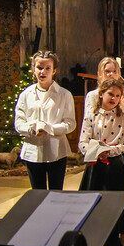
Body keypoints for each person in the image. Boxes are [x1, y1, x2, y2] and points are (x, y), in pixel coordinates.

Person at [83, 56, 124, 246]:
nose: (110, 74)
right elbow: (88, 125)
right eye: (106, 71)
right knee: (97, 201)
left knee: (117, 198)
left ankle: (121, 234)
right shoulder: (93, 96)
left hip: (117, 153)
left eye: (113, 71)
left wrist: (121, 102)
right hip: (96, 152)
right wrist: (95, 149)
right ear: (100, 74)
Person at [78, 79, 124, 246]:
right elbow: (82, 142)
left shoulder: (123, 117)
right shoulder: (91, 115)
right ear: (101, 94)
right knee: (95, 213)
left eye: (118, 96)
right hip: (95, 166)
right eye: (111, 95)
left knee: (112, 212)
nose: (114, 99)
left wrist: (110, 150)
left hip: (114, 166)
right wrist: (96, 150)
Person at [14, 50, 75, 190]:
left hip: (57, 150)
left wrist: (50, 128)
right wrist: (31, 128)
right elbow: (19, 122)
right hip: (33, 150)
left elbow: (70, 124)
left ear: (54, 71)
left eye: (48, 68)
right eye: (39, 67)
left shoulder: (64, 95)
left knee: (56, 192)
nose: (43, 72)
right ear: (33, 69)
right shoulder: (26, 94)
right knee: (37, 193)